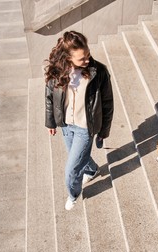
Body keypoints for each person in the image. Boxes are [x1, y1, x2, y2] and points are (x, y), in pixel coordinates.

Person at [44, 31, 114, 210]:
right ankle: (91, 170)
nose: (87, 61)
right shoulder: (58, 71)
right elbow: (50, 97)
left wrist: (104, 131)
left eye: (88, 55)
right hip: (66, 125)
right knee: (78, 158)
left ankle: (73, 194)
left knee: (71, 170)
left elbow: (107, 103)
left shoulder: (99, 72)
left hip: (85, 128)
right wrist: (51, 122)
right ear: (68, 58)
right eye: (82, 59)